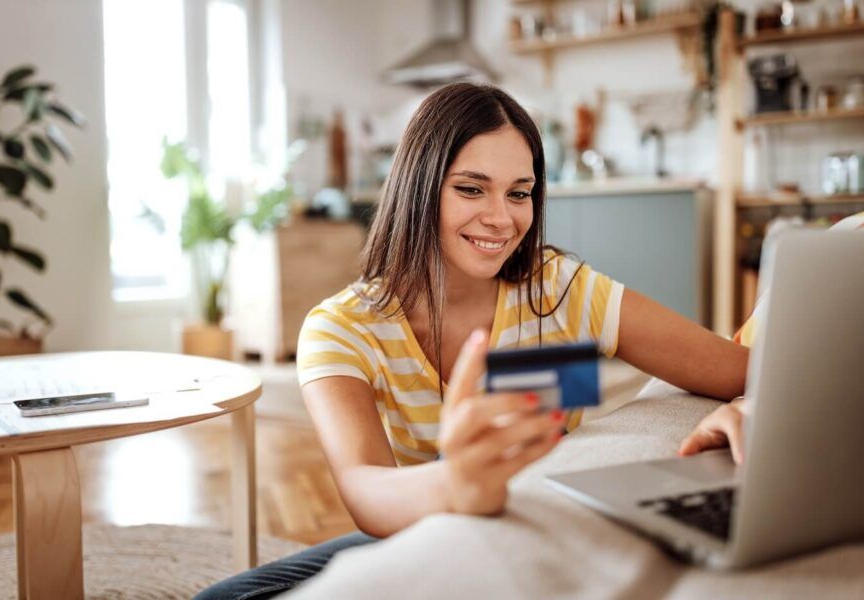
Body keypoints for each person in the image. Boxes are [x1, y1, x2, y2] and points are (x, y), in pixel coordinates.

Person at [195, 83, 749, 600]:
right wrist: (456, 484)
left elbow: (735, 369)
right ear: (418, 187)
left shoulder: (558, 289)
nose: (501, 219)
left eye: (520, 193)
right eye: (470, 189)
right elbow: (365, 490)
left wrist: (748, 405)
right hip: (425, 529)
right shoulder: (341, 328)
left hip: (540, 530)